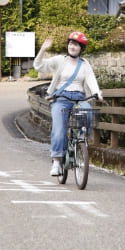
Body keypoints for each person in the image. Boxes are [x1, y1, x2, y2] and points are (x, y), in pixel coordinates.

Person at [34, 31, 103, 176]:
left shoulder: (85, 64)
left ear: (81, 49)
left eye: (76, 45)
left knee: (88, 112)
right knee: (59, 129)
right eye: (71, 43)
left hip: (79, 97)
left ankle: (80, 141)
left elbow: (91, 79)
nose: (73, 46)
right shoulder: (60, 60)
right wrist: (43, 49)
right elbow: (39, 66)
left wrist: (98, 93)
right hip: (61, 98)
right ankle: (57, 162)